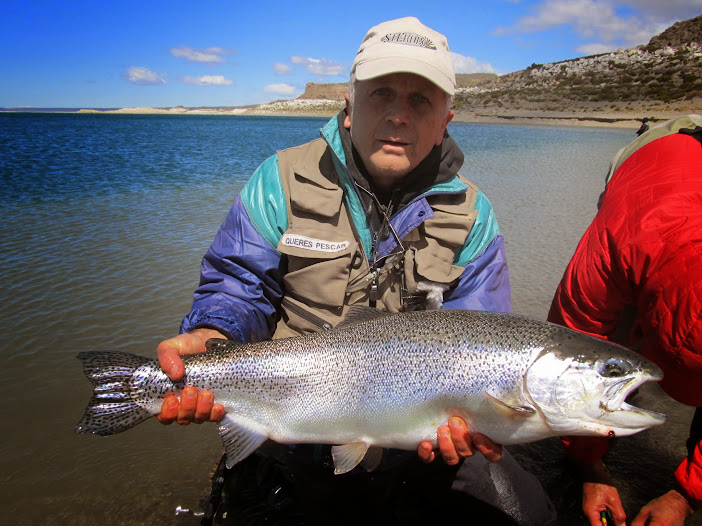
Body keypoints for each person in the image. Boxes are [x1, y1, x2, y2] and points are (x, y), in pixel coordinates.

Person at [154, 16, 526, 524]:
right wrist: (212, 332)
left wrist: (477, 421)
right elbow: (238, 284)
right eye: (381, 94)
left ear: (447, 120)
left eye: (421, 101)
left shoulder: (474, 217)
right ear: (349, 106)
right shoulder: (279, 179)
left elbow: (483, 338)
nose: (398, 116)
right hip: (290, 422)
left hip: (414, 445)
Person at [548, 114, 702, 526]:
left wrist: (685, 495)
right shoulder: (612, 248)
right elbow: (573, 350)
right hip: (650, 163)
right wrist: (588, 467)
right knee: (604, 359)